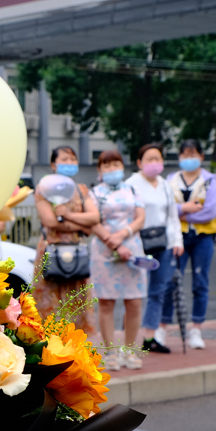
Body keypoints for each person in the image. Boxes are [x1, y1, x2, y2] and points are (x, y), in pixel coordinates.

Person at [32, 146, 99, 337]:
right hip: (51, 250)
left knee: (77, 304)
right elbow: (50, 221)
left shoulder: (81, 189)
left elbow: (94, 219)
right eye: (64, 159)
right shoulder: (43, 189)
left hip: (76, 252)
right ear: (54, 165)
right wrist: (81, 224)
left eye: (72, 159)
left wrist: (67, 215)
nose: (69, 163)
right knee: (49, 305)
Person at [90, 150, 147, 370]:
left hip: (132, 250)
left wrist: (123, 235)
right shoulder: (94, 194)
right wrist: (113, 242)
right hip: (104, 251)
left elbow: (140, 218)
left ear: (123, 167)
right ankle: (110, 352)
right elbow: (94, 223)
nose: (112, 169)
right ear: (99, 170)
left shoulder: (133, 189)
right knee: (106, 302)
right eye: (106, 165)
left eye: (116, 164)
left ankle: (130, 351)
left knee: (134, 302)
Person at [125, 143, 184, 353]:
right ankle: (129, 338)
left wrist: (177, 241)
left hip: (164, 243)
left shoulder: (165, 185)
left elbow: (173, 216)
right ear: (139, 162)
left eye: (158, 159)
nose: (154, 163)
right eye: (149, 159)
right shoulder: (131, 184)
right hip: (138, 244)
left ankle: (150, 337)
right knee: (134, 292)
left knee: (159, 290)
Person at [161, 139, 216, 350]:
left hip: (203, 237)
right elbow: (166, 208)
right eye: (184, 155)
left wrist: (181, 211)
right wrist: (186, 208)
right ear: (179, 157)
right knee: (170, 281)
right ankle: (162, 328)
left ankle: (196, 329)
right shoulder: (170, 180)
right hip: (177, 237)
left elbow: (209, 212)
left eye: (193, 154)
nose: (188, 158)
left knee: (200, 282)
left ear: (202, 157)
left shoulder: (210, 180)